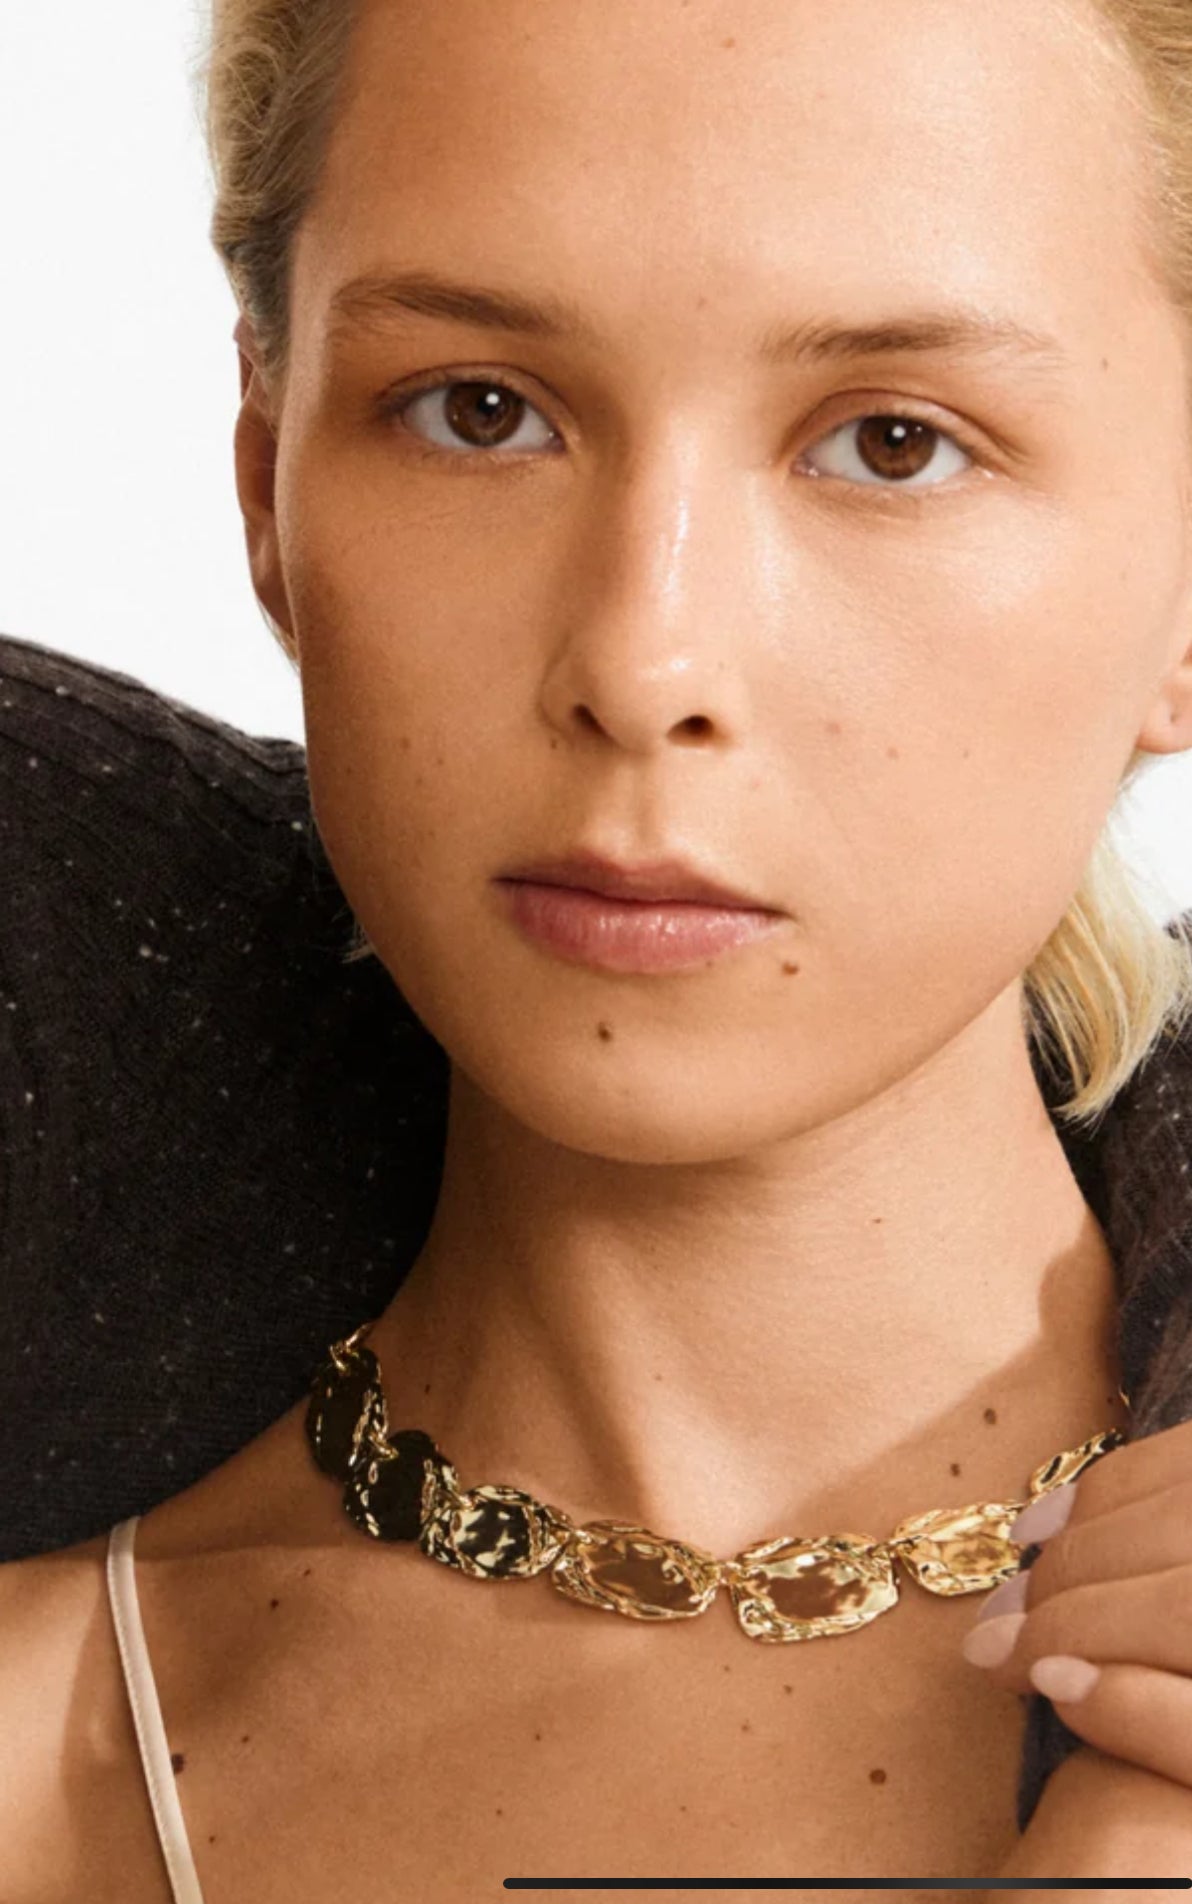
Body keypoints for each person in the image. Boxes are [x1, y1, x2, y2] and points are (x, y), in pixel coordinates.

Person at [4, 0, 1192, 1891]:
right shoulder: (51, 1762)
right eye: (479, 410)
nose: (644, 662)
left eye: (893, 443)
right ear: (263, 480)